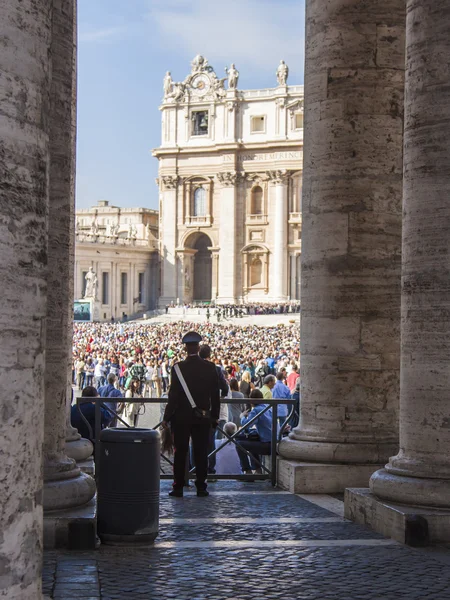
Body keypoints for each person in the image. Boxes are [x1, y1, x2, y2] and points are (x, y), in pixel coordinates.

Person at [162, 331, 220, 497]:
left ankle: (178, 486)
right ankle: (201, 486)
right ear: (199, 347)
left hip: (181, 417)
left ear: (185, 348)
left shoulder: (178, 368)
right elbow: (215, 396)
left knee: (180, 452)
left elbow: (172, 396)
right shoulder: (210, 368)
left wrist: (166, 417)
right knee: (201, 452)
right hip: (202, 416)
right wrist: (215, 416)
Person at [236, 389, 273, 475]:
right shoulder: (268, 407)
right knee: (252, 440)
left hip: (268, 445)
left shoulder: (256, 410)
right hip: (275, 442)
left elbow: (246, 425)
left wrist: (242, 416)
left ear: (251, 400)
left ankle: (247, 471)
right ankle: (257, 470)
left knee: (239, 444)